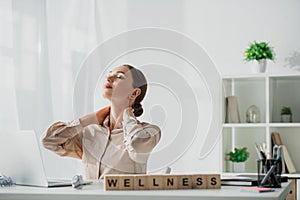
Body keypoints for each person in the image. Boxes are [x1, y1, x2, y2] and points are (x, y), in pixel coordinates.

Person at [42, 64, 161, 180]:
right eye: (109, 75)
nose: (109, 78)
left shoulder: (149, 132)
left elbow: (137, 145)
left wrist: (128, 116)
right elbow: (48, 141)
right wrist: (87, 120)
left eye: (119, 76)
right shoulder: (91, 132)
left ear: (134, 93)